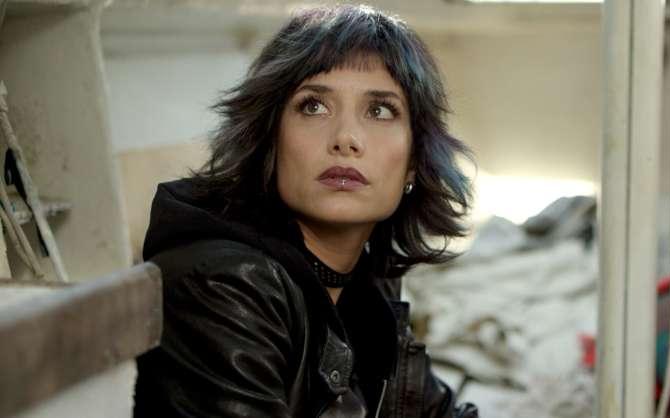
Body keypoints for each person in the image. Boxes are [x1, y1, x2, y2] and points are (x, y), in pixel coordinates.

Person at [132, 5, 479, 417]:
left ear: (414, 163)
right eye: (313, 106)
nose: (346, 138)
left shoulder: (367, 283)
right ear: (269, 139)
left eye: (379, 110)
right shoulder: (222, 285)